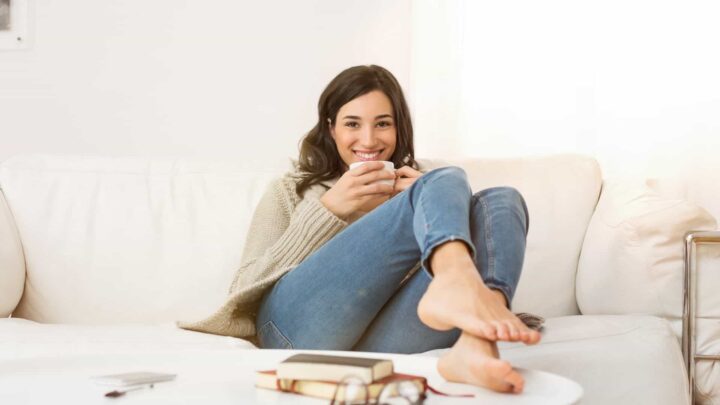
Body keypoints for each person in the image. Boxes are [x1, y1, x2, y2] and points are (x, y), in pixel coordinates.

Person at [178, 65, 542, 394]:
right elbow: (243, 288)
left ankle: (476, 344)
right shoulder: (292, 189)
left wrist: (425, 198)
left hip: (383, 342)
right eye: (352, 124)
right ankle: (456, 288)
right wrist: (329, 210)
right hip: (298, 335)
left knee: (502, 199)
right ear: (330, 127)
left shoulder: (426, 181)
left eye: (383, 123)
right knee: (446, 180)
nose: (368, 141)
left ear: (400, 127)